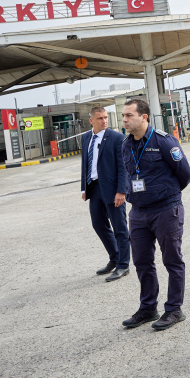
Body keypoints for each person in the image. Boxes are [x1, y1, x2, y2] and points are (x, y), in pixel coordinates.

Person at [120, 99, 190, 330]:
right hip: (138, 212)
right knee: (141, 261)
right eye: (123, 116)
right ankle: (148, 308)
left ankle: (174, 310)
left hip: (165, 210)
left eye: (129, 115)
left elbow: (185, 174)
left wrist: (166, 194)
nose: (124, 120)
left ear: (144, 117)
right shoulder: (125, 145)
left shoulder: (164, 141)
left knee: (172, 260)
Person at [80, 107, 130, 282]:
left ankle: (123, 265)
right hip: (94, 188)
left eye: (106, 117)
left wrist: (122, 191)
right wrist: (84, 188)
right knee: (98, 224)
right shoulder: (86, 138)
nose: (104, 121)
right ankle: (114, 257)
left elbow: (124, 167)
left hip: (113, 189)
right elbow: (85, 164)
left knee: (120, 228)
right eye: (100, 118)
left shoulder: (117, 138)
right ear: (91, 121)